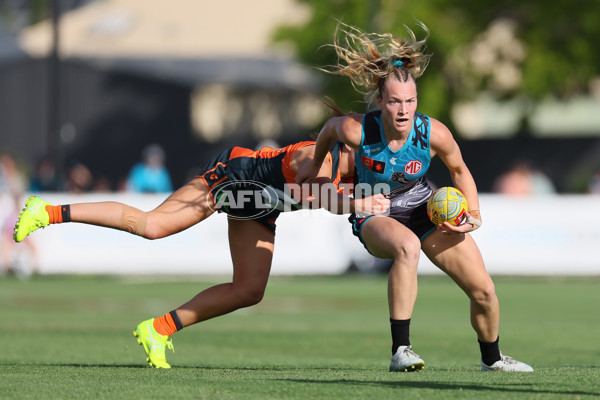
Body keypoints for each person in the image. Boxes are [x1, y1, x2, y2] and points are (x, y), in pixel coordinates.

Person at [13, 139, 389, 368]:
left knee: (249, 290)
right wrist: (358, 203)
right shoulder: (323, 158)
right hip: (237, 176)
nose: (382, 164)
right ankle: (46, 211)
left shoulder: (356, 172)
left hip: (259, 203)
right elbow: (318, 196)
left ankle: (158, 329)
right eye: (378, 155)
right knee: (152, 225)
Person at [296, 22, 533, 372]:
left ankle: (492, 360)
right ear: (380, 101)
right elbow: (330, 130)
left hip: (422, 203)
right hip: (374, 208)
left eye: (410, 101)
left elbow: (460, 171)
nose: (403, 110)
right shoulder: (358, 129)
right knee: (407, 246)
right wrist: (315, 165)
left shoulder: (433, 132)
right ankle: (401, 350)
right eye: (394, 101)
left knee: (483, 290)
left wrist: (475, 214)